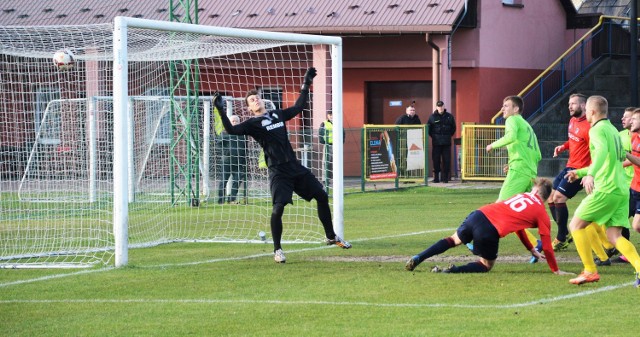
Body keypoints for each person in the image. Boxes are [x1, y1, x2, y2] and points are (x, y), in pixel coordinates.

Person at [213, 67, 351, 263]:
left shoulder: (277, 115)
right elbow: (231, 130)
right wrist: (220, 109)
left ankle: (330, 236)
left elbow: (298, 108)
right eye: (252, 100)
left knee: (321, 195)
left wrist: (306, 83)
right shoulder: (252, 124)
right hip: (278, 171)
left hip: (294, 166)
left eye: (257, 97)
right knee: (278, 209)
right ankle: (277, 250)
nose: (256, 100)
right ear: (249, 108)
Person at [405, 178, 570, 275]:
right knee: (486, 265)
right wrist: (555, 270)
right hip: (489, 230)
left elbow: (518, 227)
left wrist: (531, 249)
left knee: (452, 239)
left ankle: (419, 257)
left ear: (535, 189)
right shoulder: (541, 212)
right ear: (546, 197)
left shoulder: (521, 195)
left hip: (479, 213)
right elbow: (547, 246)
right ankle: (451, 271)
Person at [564, 95, 640, 286]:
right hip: (621, 189)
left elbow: (601, 155)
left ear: (591, 111)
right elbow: (612, 158)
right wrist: (580, 173)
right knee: (614, 236)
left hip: (607, 188)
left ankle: (590, 270)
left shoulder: (597, 130)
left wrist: (590, 175)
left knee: (576, 225)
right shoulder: (614, 130)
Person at [486, 95, 541, 258]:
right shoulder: (526, 125)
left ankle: (479, 239)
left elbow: (510, 137)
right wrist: (513, 163)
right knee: (514, 212)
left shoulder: (512, 120)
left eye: (506, 106)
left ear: (515, 109)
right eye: (502, 106)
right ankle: (535, 242)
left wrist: (492, 145)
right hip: (529, 172)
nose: (503, 109)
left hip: (520, 171)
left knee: (499, 206)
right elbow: (537, 153)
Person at [547, 93, 591, 251]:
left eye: (573, 104)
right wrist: (563, 147)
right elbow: (573, 140)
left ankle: (560, 238)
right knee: (551, 197)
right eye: (569, 104)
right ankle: (564, 232)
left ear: (583, 105)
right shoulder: (572, 121)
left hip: (580, 170)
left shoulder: (589, 126)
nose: (570, 107)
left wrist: (588, 174)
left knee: (559, 198)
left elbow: (595, 151)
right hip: (569, 166)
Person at [216, 115, 247, 204]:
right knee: (223, 181)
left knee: (237, 180)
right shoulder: (224, 133)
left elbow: (245, 147)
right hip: (227, 161)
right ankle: (221, 200)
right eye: (233, 121)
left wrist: (244, 159)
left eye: (236, 121)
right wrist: (226, 152)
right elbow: (218, 145)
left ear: (239, 122)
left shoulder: (242, 134)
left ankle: (232, 199)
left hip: (238, 162)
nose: (234, 122)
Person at [427, 100, 456, 183]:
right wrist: (434, 137)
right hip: (436, 143)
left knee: (446, 160)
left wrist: (448, 136)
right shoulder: (432, 117)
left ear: (444, 106)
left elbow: (453, 128)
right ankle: (436, 178)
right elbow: (429, 129)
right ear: (436, 107)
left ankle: (445, 178)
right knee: (436, 160)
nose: (440, 107)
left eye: (442, 106)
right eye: (439, 106)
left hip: (446, 142)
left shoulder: (449, 116)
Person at [318, 111, 344, 188]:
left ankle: (336, 179)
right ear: (327, 115)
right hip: (327, 145)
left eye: (332, 114)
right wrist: (323, 142)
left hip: (336, 145)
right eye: (330, 115)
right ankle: (325, 179)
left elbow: (343, 132)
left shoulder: (338, 122)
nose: (331, 116)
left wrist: (342, 141)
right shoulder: (324, 123)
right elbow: (320, 132)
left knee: (337, 162)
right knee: (325, 162)